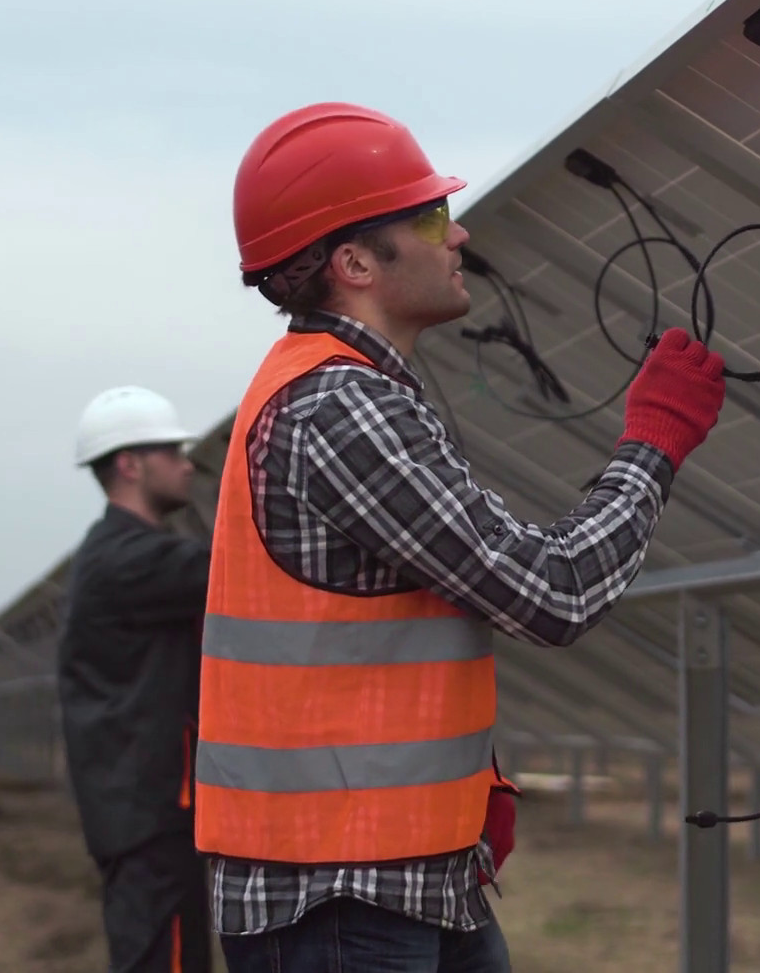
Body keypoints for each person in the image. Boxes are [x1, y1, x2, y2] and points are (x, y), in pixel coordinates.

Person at [195, 102, 729, 972]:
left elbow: (377, 653)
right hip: (341, 893)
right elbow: (550, 594)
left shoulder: (358, 393)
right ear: (356, 261)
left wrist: (466, 788)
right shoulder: (340, 407)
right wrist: (654, 442)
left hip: (403, 873)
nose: (461, 233)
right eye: (433, 216)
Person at [59, 385, 214, 973]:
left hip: (141, 808)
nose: (187, 464)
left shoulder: (120, 553)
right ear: (129, 464)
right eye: (172, 452)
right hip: (148, 811)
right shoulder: (128, 559)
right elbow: (224, 568)